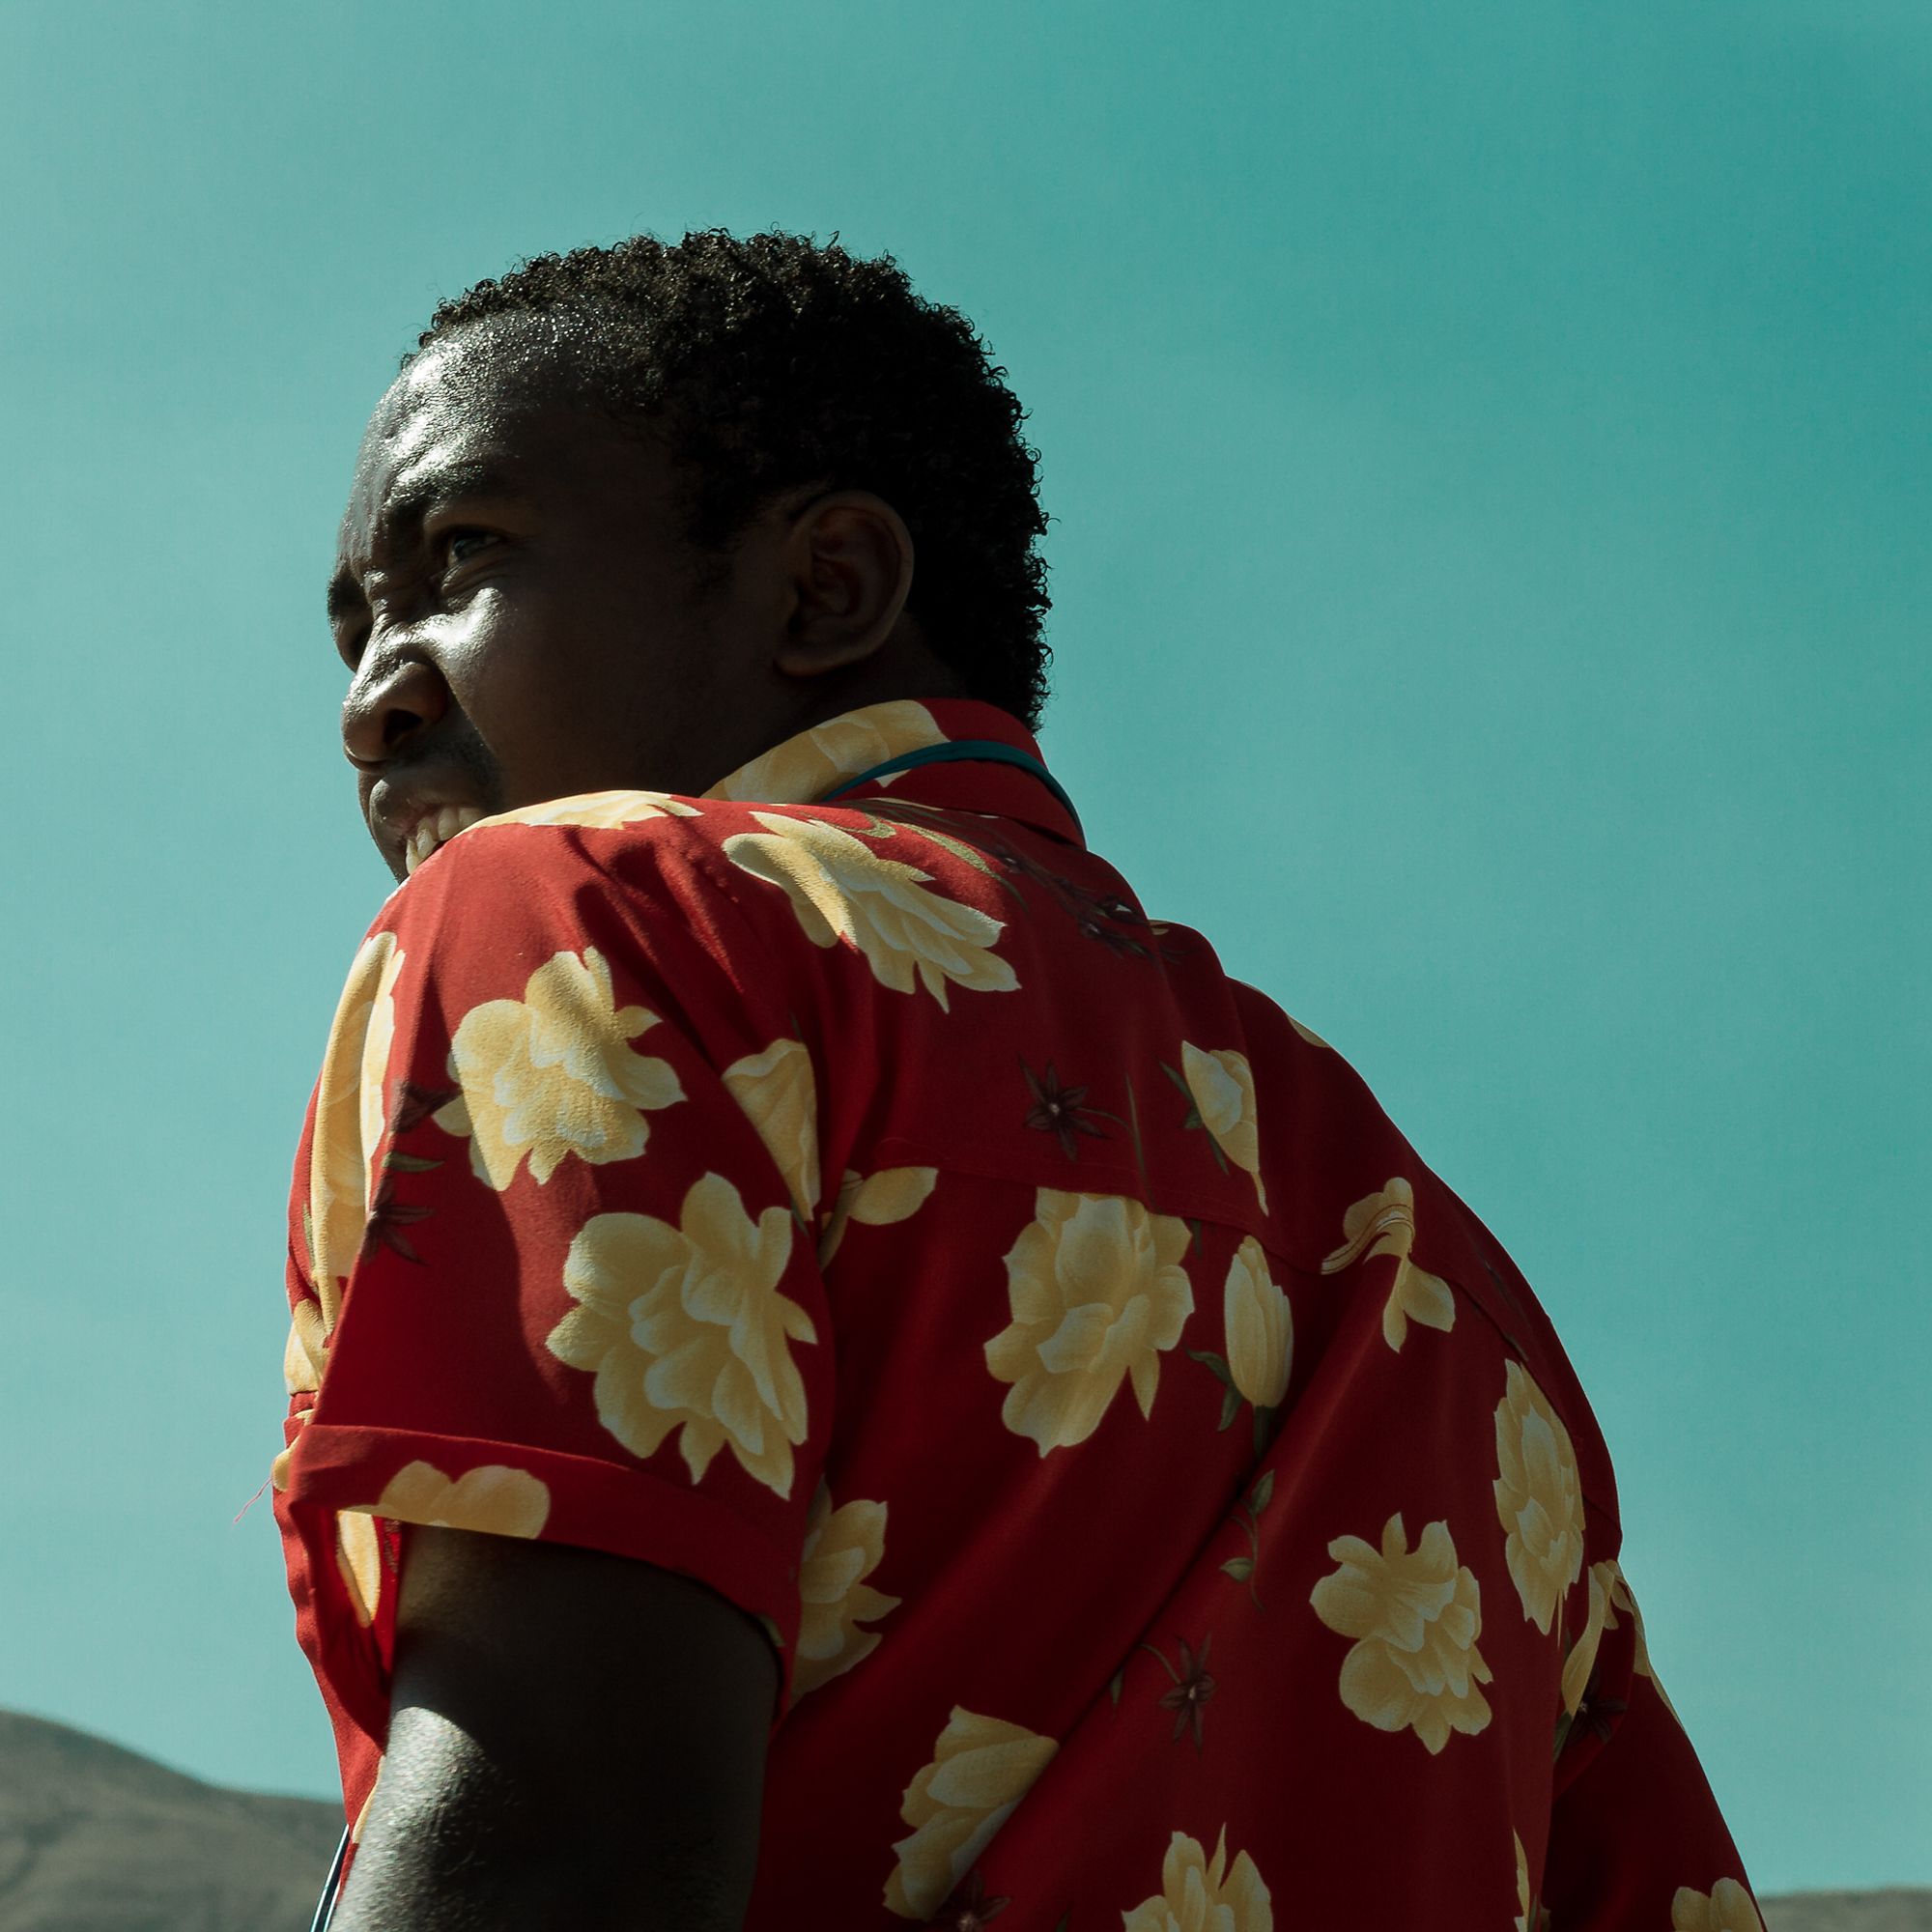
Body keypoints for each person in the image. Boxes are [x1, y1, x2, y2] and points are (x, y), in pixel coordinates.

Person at [275, 230, 1762, 1930]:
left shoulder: (604, 914)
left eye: (460, 556)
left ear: (829, 586)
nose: (369, 706)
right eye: (352, 635)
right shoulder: (1446, 1284)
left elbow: (555, 1837)